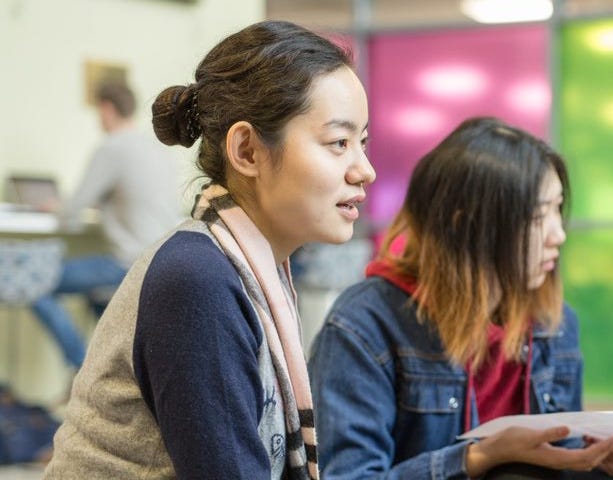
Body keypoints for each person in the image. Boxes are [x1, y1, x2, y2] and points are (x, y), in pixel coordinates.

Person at [44, 20, 375, 479]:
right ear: (248, 151)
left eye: (362, 142)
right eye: (339, 143)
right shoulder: (197, 279)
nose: (365, 170)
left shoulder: (252, 265)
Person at [308, 116, 613, 479]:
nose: (558, 235)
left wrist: (596, 462)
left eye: (558, 208)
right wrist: (478, 458)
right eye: (538, 216)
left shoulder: (554, 323)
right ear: (464, 225)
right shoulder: (364, 327)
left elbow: (556, 462)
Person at [29, 80, 181, 370]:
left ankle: (80, 368)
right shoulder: (156, 149)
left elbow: (70, 212)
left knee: (35, 284)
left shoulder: (113, 147)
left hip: (125, 263)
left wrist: (56, 207)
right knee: (97, 299)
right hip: (157, 262)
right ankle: (109, 369)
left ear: (107, 110)